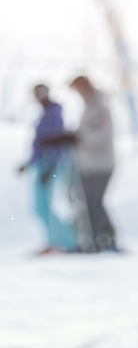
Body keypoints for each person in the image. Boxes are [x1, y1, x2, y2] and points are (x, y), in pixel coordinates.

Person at [18, 84, 77, 255]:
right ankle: (54, 241)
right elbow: (39, 144)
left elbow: (54, 142)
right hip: (41, 163)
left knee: (47, 205)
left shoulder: (55, 113)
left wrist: (49, 168)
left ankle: (63, 242)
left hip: (50, 164)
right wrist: (27, 164)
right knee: (40, 206)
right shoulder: (44, 114)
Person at [68, 75, 117, 252]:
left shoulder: (100, 107)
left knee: (95, 202)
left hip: (101, 165)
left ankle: (108, 240)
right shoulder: (89, 106)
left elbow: (99, 134)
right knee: (89, 203)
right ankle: (95, 241)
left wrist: (77, 138)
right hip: (88, 164)